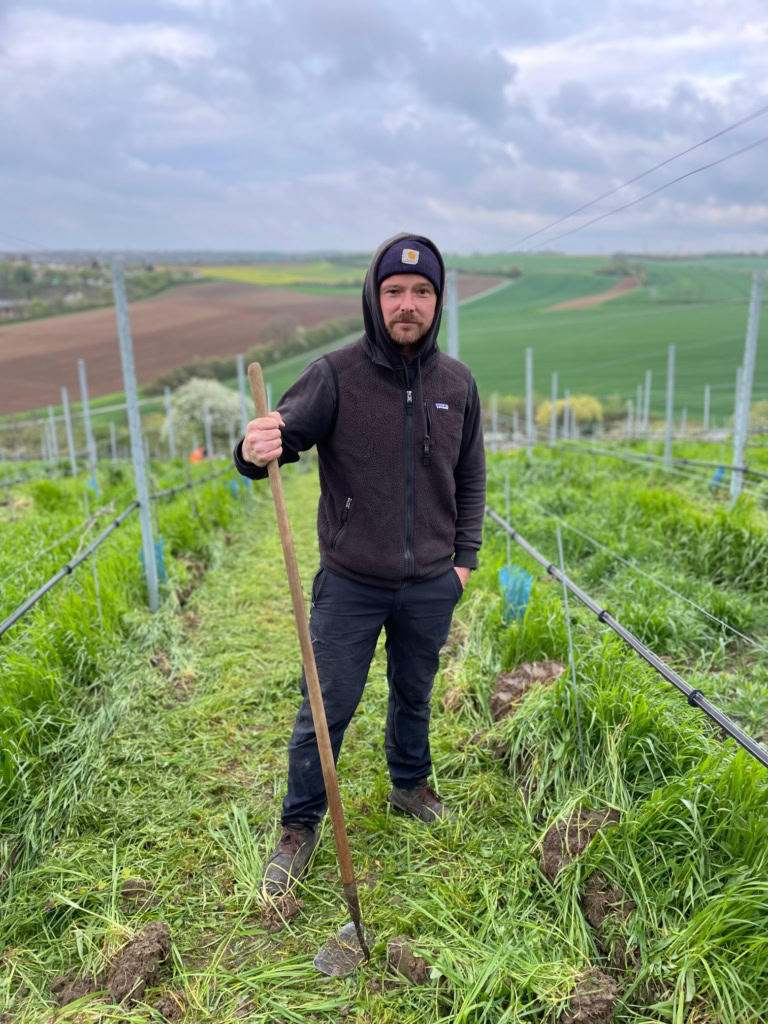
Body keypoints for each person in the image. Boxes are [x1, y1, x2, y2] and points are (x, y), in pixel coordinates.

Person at [234, 232, 486, 895]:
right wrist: (254, 445)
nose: (408, 303)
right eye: (395, 291)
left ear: (438, 300)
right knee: (326, 705)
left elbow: (470, 479)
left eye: (422, 292)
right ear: (375, 299)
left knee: (415, 693)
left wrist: (462, 563)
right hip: (350, 583)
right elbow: (280, 439)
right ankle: (299, 825)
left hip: (432, 582)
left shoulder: (457, 384)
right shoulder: (335, 375)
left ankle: (408, 785)